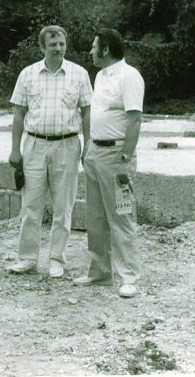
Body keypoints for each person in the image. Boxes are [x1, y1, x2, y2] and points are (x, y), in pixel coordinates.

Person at [7, 25, 92, 278]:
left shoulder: (79, 74)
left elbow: (87, 112)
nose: (57, 48)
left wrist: (87, 146)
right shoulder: (28, 74)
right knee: (31, 206)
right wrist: (14, 149)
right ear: (42, 47)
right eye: (52, 44)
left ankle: (57, 258)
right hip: (34, 145)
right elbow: (19, 113)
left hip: (67, 144)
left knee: (63, 205)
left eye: (61, 44)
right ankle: (28, 259)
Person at [73, 28, 144, 298]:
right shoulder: (100, 76)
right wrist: (88, 145)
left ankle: (128, 277)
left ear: (106, 49)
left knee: (122, 216)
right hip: (95, 153)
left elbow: (135, 120)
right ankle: (100, 272)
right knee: (96, 216)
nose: (90, 51)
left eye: (94, 47)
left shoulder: (130, 77)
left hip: (116, 157)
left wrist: (126, 159)